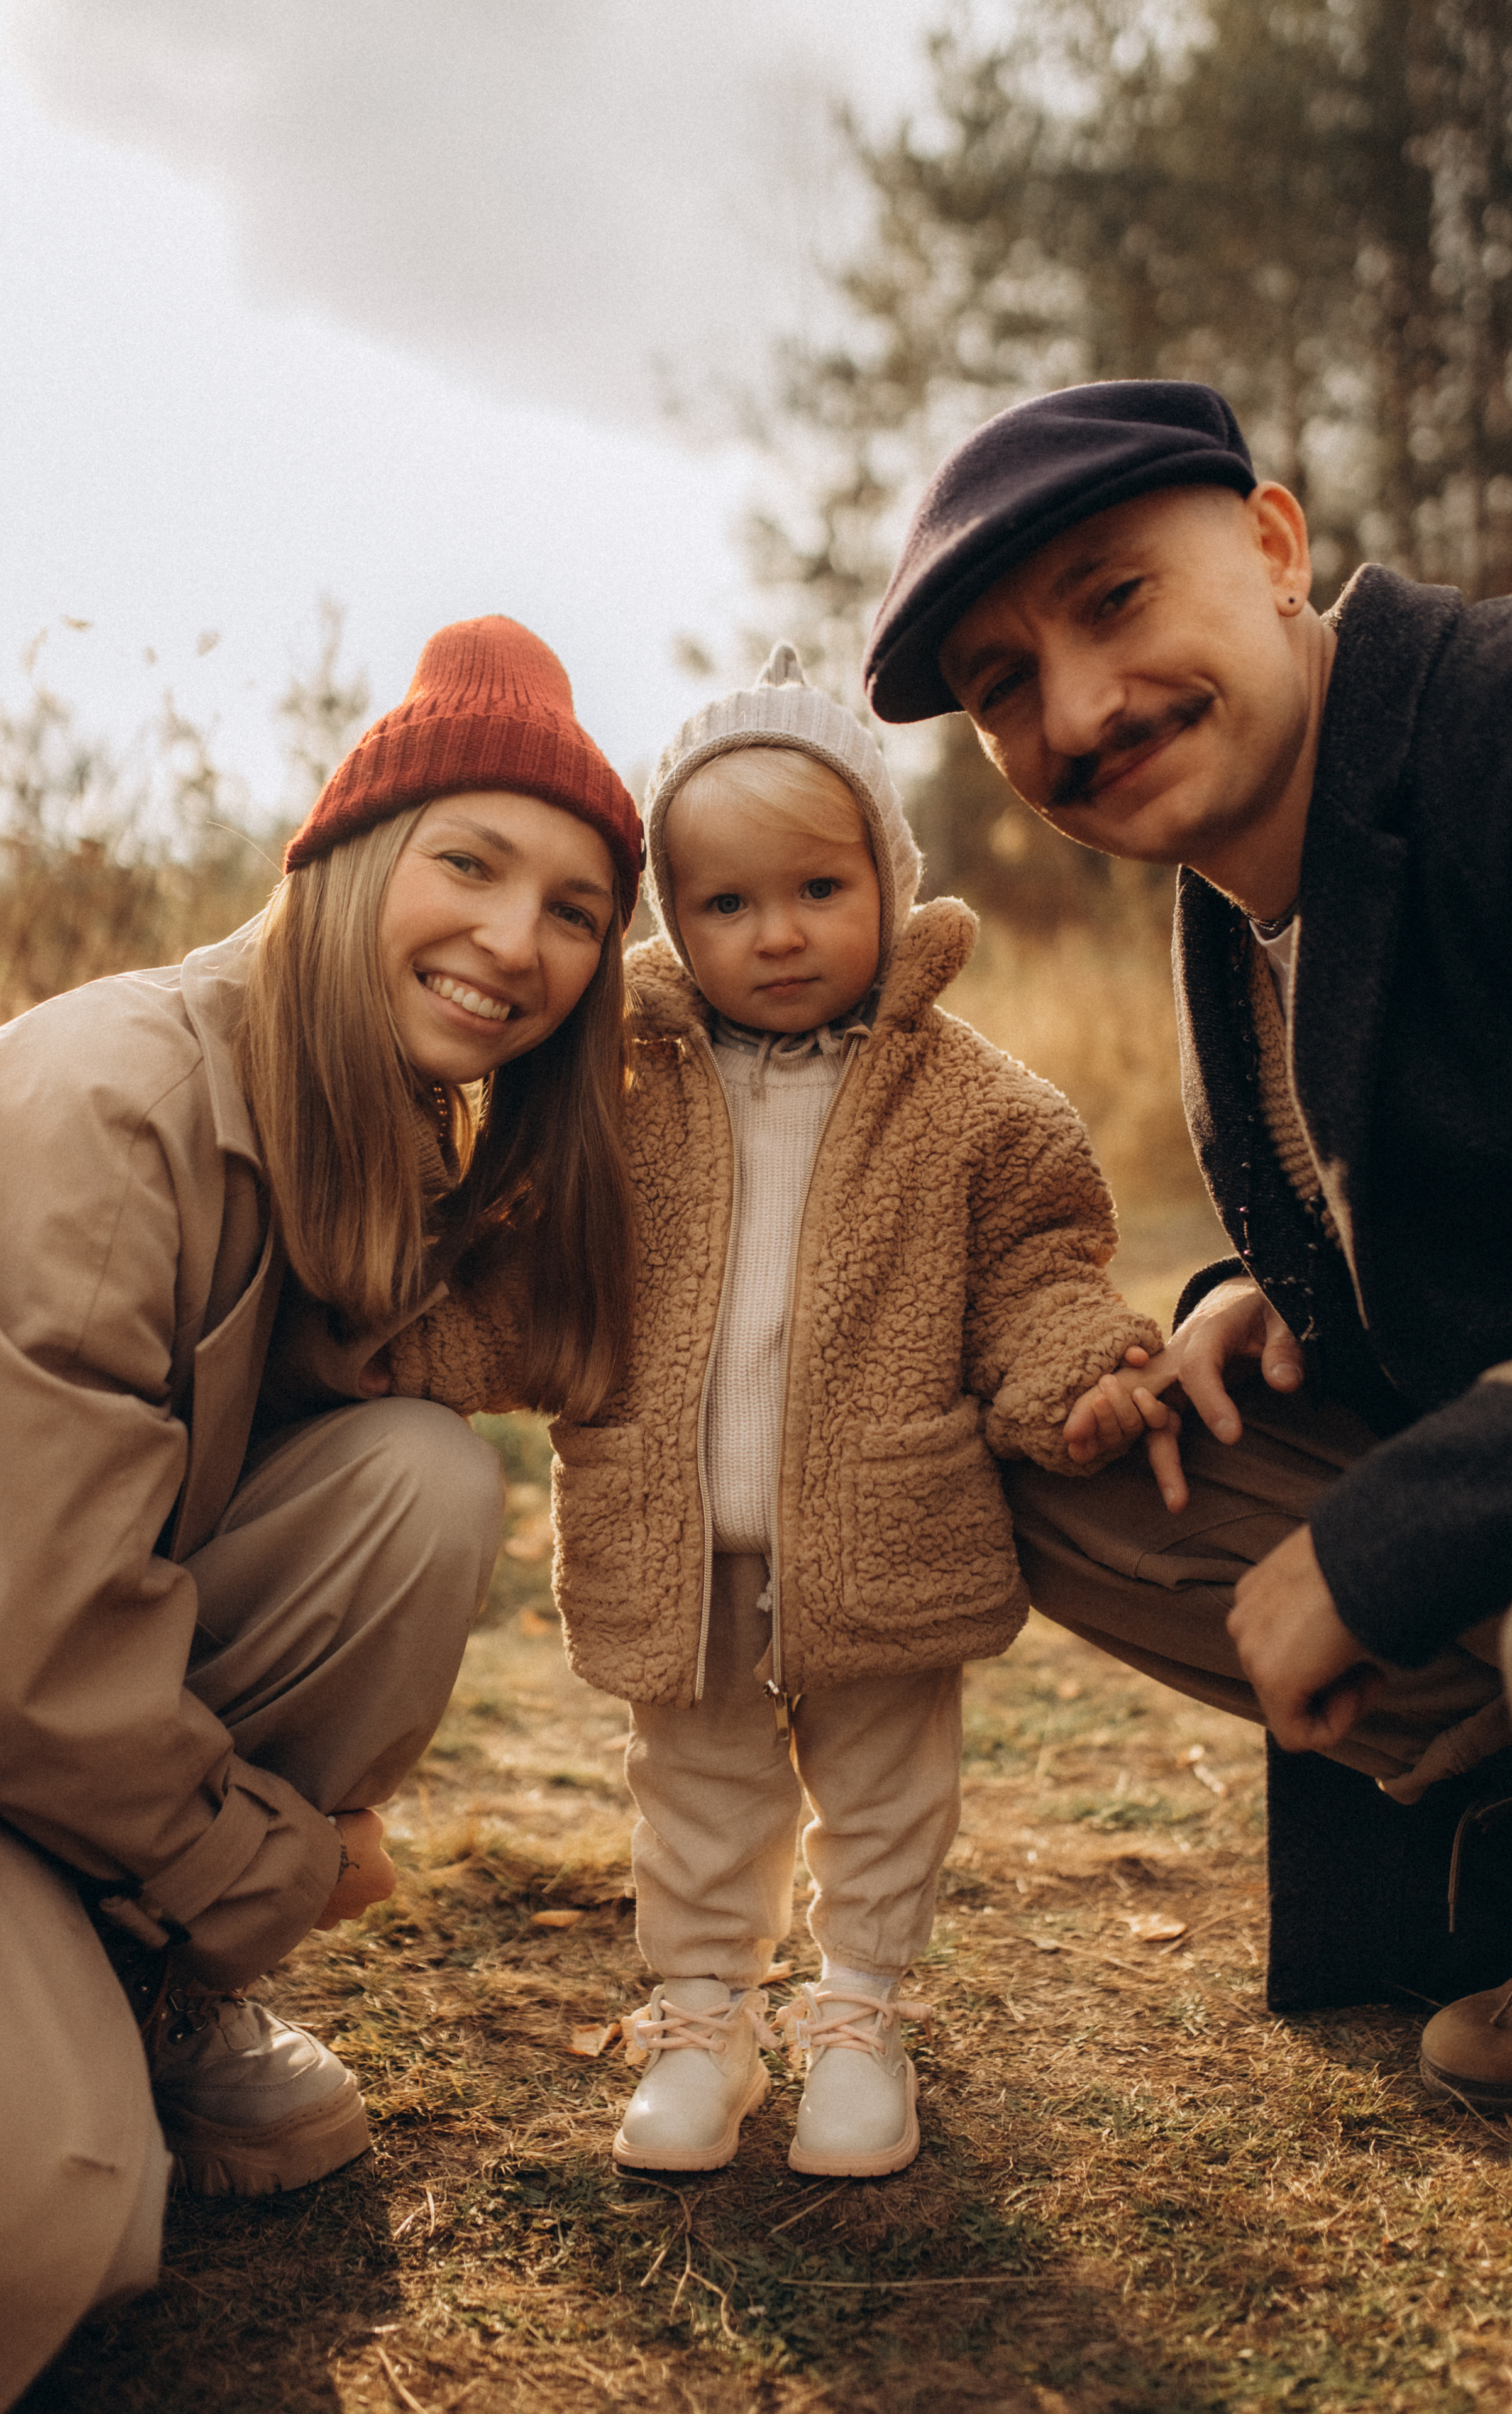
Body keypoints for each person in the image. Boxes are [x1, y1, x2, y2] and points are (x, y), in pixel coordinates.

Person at [859, 378, 1512, 2116]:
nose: (1080, 710)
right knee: (1077, 1458)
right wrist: (1262, 1297)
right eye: (1002, 690)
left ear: (1276, 548)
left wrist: (1409, 1525)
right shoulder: (1229, 905)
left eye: (1116, 600)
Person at [394, 644, 1160, 2176]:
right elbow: (529, 1263)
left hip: (884, 1517)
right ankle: (703, 2019)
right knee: (695, 1788)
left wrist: (1072, 1368)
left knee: (884, 1788)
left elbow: (1036, 1268)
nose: (778, 935)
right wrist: (420, 1352)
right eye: (727, 905)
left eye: (817, 889)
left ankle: (859, 2014)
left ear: (885, 875)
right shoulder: (611, 1086)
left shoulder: (975, 1105)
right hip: (677, 1537)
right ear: (674, 915)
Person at [0, 614, 643, 2408]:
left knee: (420, 1483)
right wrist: (274, 1869)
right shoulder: (112, 1100)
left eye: (579, 910)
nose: (517, 944)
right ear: (351, 857)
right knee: (56, 2217)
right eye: (471, 863)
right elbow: (32, 1642)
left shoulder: (381, 1129)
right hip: (15, 1692)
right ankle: (129, 1983)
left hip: (46, 1737)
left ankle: (138, 1993)